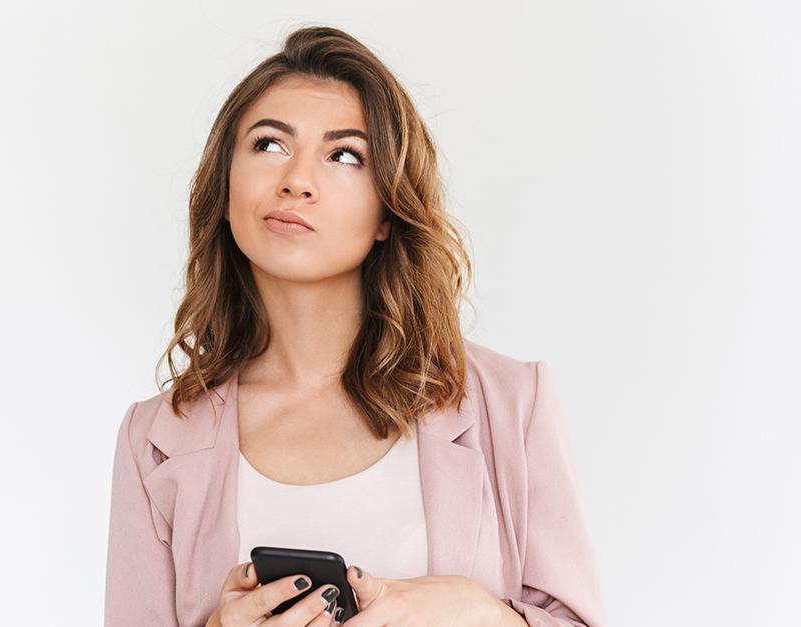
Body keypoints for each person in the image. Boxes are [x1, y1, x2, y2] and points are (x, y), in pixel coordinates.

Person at [104, 25, 608, 627]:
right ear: (226, 181)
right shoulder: (156, 439)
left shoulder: (512, 403)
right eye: (268, 144)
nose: (296, 180)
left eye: (345, 155)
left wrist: (482, 614)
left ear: (387, 212)